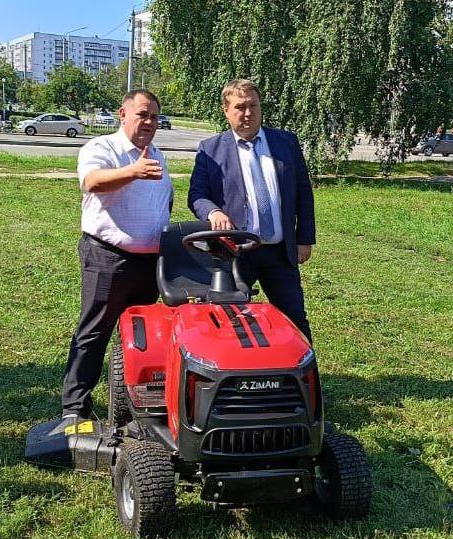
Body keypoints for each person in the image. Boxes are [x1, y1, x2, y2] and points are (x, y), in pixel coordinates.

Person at [60, 89, 173, 425]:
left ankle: (130, 402)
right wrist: (133, 171)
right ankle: (75, 407)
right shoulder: (101, 148)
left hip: (149, 263)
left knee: (139, 336)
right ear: (122, 114)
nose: (149, 122)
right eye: (142, 114)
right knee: (95, 330)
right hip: (108, 258)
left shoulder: (157, 155)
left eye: (154, 116)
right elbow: (92, 182)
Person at [188, 79, 316, 340]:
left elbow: (303, 192)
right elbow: (197, 195)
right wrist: (214, 213)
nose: (248, 114)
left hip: (280, 253)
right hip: (235, 252)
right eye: (240, 107)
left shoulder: (286, 143)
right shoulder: (210, 149)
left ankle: (302, 378)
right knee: (229, 321)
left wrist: (304, 239)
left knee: (294, 320)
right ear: (226, 110)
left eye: (253, 106)